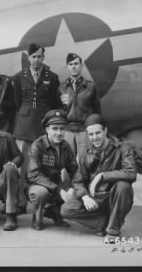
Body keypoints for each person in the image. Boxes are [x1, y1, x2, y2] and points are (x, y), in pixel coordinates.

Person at [60, 114, 137, 241]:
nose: (94, 137)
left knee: (123, 185)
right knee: (66, 210)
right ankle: (104, 223)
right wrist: (84, 197)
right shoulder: (86, 153)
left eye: (98, 133)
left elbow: (131, 173)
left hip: (114, 197)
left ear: (105, 130)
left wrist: (102, 176)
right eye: (91, 134)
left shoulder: (123, 147)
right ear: (87, 134)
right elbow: (78, 180)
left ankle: (113, 231)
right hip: (95, 198)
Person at [13, 43, 61, 213]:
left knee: (46, 164)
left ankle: (46, 203)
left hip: (42, 126)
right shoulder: (19, 77)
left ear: (43, 57)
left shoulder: (52, 77)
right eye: (33, 57)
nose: (36, 60)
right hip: (24, 126)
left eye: (39, 56)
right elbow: (17, 102)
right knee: (22, 165)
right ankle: (19, 202)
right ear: (28, 57)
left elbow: (55, 104)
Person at [27, 110, 77, 230]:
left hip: (57, 183)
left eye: (62, 128)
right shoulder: (37, 145)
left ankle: (54, 212)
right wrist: (59, 190)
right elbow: (33, 175)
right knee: (40, 193)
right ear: (47, 129)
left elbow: (75, 170)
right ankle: (37, 217)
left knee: (76, 188)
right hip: (39, 184)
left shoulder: (65, 146)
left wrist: (72, 187)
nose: (59, 133)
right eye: (55, 128)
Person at [57, 53, 101, 159]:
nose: (73, 66)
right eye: (70, 64)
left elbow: (97, 111)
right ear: (66, 66)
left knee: (87, 161)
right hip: (68, 130)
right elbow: (58, 110)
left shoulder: (91, 87)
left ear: (82, 65)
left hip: (84, 130)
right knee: (66, 164)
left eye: (76, 63)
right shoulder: (61, 88)